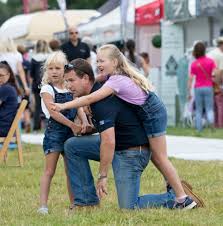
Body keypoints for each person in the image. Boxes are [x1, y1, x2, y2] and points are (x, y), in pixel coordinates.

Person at [52, 58, 203, 210]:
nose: (68, 86)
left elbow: (108, 141)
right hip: (118, 144)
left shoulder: (100, 100)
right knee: (72, 146)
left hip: (132, 152)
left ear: (85, 78)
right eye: (66, 81)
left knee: (129, 207)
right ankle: (86, 203)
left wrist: (103, 176)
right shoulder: (97, 91)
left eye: (71, 80)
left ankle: (177, 196)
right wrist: (90, 128)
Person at [37, 51, 90, 214]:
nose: (54, 71)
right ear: (47, 70)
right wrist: (72, 125)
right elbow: (54, 112)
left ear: (64, 70)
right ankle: (43, 206)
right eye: (50, 68)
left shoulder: (69, 87)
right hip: (55, 134)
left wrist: (85, 121)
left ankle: (74, 203)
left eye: (58, 68)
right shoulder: (47, 89)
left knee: (70, 171)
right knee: (49, 171)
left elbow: (78, 105)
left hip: (70, 134)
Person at [188, 42, 216, 132]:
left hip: (198, 88)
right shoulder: (211, 61)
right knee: (209, 108)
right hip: (208, 87)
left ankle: (199, 129)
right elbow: (215, 74)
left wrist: (189, 91)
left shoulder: (194, 64)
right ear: (204, 50)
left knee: (198, 109)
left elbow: (191, 79)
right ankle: (211, 125)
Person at [30, 40, 50, 131]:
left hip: (36, 85)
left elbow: (31, 74)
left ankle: (36, 127)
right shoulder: (49, 57)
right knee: (49, 104)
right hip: (47, 83)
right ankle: (49, 125)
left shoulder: (33, 58)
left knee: (38, 106)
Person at [207, 37, 223, 128]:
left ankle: (213, 124)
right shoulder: (220, 55)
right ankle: (220, 125)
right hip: (216, 81)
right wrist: (219, 85)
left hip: (207, 81)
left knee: (213, 105)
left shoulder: (210, 53)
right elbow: (219, 72)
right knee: (220, 104)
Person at [0, 61, 18, 137]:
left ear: (8, 75)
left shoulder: (6, 88)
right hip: (7, 128)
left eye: (1, 75)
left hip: (3, 129)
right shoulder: (10, 87)